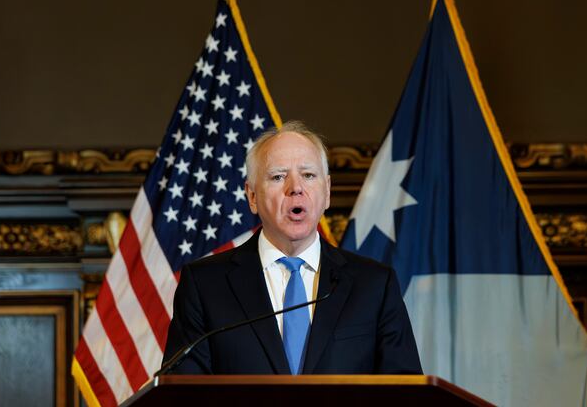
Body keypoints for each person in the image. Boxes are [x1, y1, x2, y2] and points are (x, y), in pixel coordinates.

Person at [163, 121, 422, 375]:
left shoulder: (375, 285)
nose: (296, 188)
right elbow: (184, 392)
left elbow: (405, 391)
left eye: (308, 175)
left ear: (327, 191)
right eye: (278, 176)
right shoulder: (205, 286)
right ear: (252, 196)